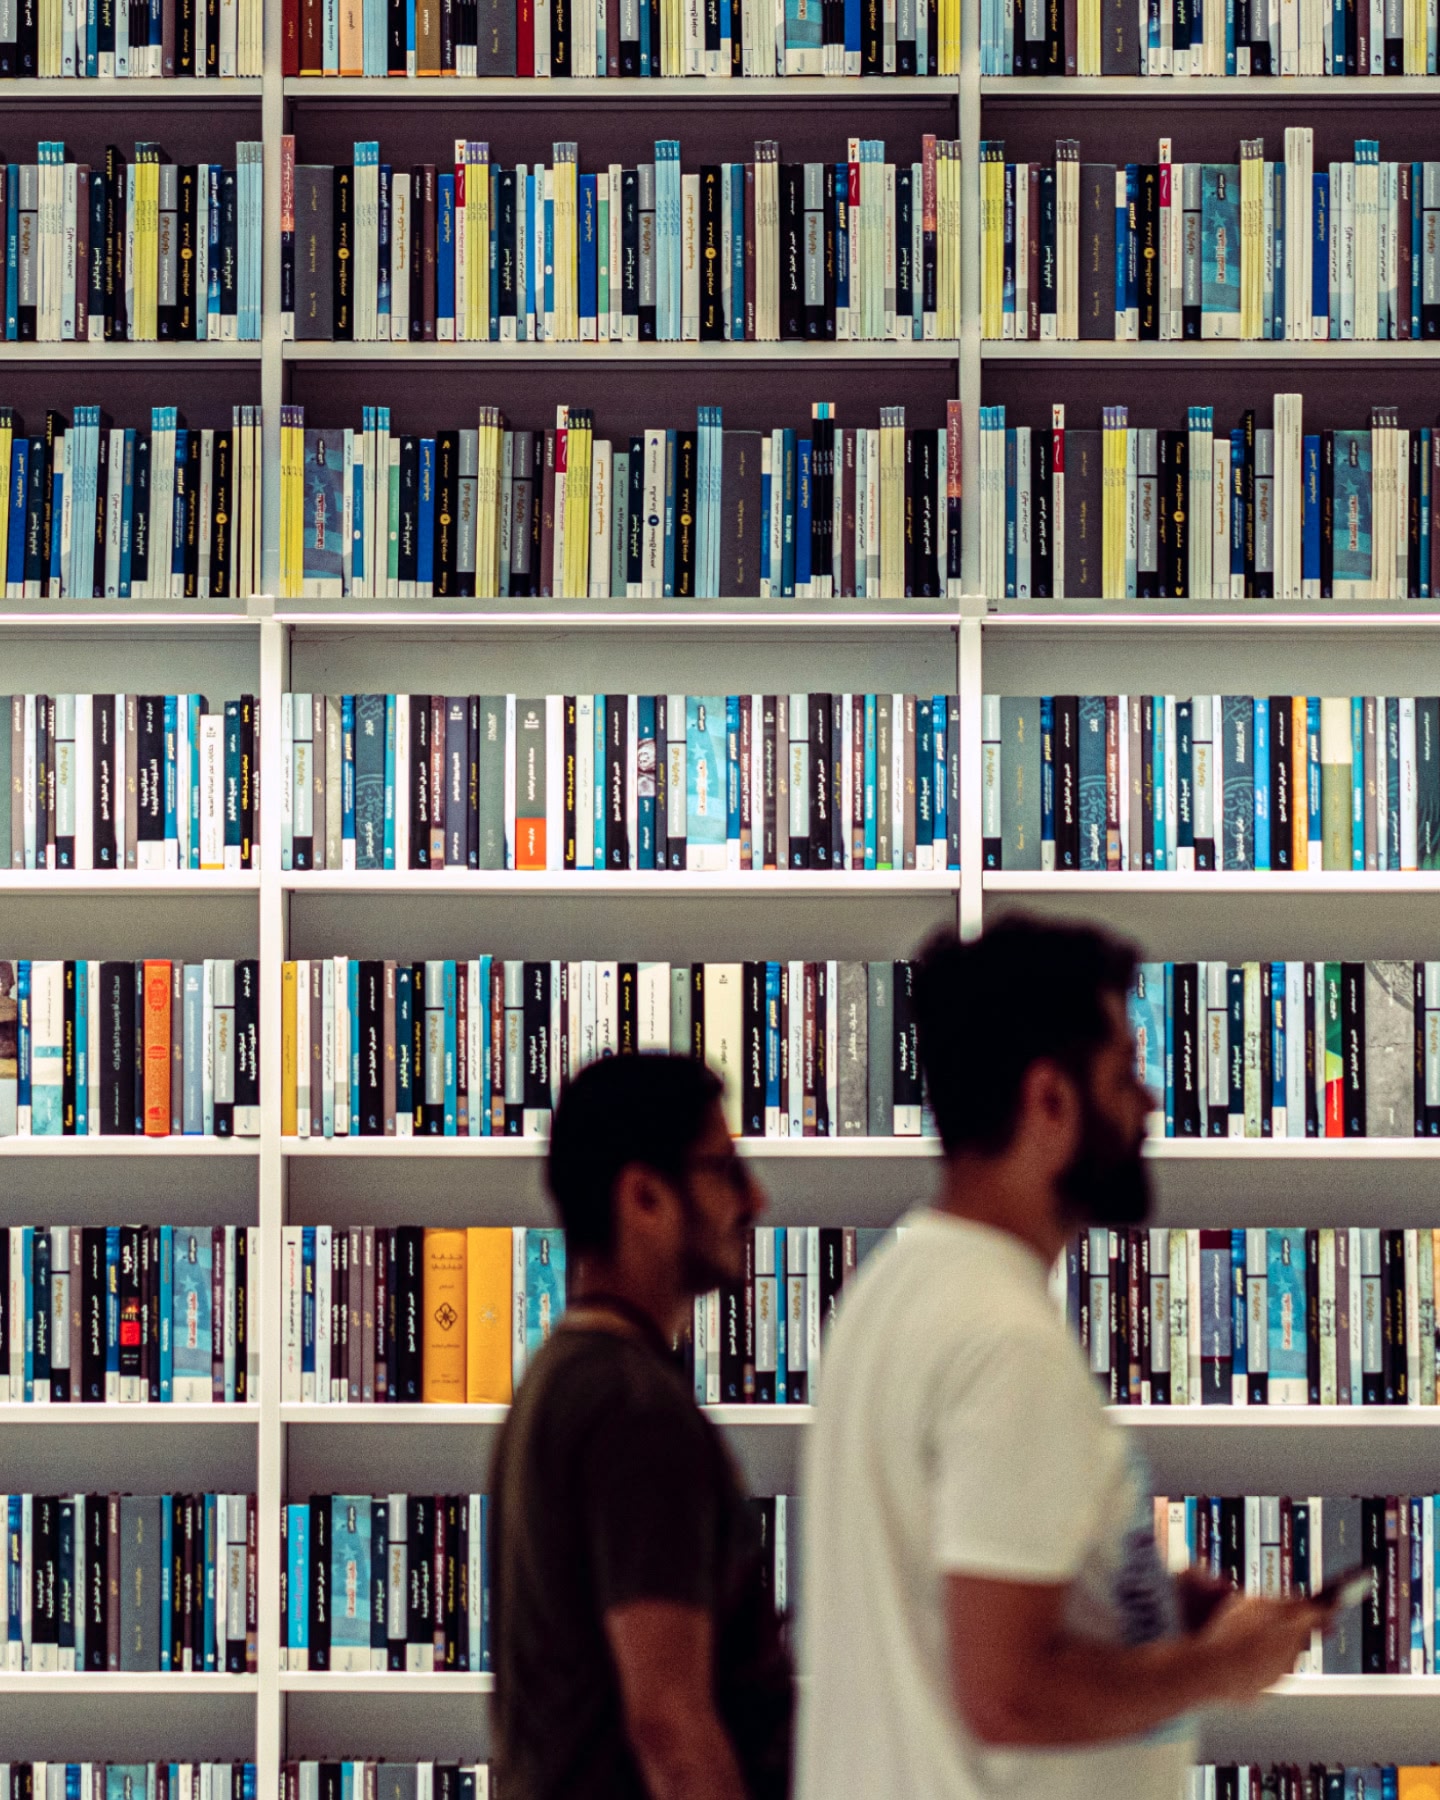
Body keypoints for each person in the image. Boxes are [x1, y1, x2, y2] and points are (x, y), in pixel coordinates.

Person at [797, 916, 1330, 1800]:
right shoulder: (1006, 1344)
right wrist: (1219, 1670)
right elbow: (1007, 1696)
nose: (1149, 1102)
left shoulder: (892, 1289)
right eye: (1123, 1073)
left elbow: (964, 1590)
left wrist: (1167, 1611)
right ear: (1049, 1101)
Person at [489, 1053, 793, 1800]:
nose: (755, 1196)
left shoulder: (559, 1380)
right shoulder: (634, 1408)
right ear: (644, 1197)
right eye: (723, 1168)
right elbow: (670, 1727)